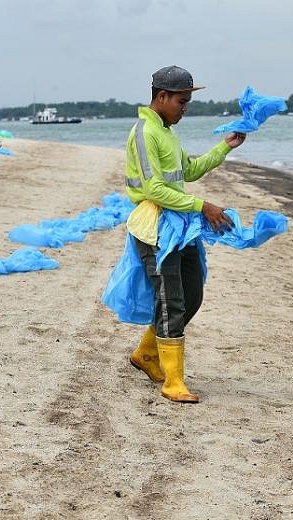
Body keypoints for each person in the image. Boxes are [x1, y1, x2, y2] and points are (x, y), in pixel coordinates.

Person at [124, 65, 246, 404]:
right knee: (170, 300)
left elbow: (188, 170)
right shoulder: (144, 132)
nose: (185, 109)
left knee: (192, 294)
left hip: (180, 226)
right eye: (182, 101)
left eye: (188, 102)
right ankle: (172, 380)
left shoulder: (167, 131)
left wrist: (225, 147)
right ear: (161, 97)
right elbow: (154, 188)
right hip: (155, 227)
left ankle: (146, 353)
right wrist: (203, 205)